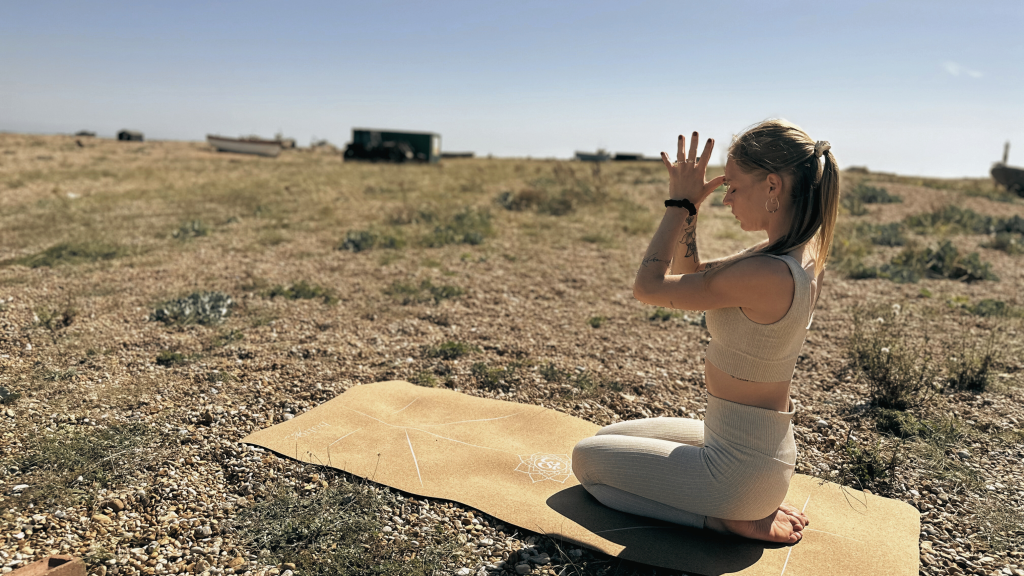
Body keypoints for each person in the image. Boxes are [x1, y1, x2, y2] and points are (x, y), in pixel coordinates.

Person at [571, 119, 839, 544]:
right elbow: (691, 273)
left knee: (586, 462)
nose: (727, 198)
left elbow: (649, 287)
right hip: (746, 446)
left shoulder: (767, 272)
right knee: (606, 437)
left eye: (733, 185)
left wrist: (679, 203)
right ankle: (748, 501)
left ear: (772, 186)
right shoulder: (794, 255)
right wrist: (692, 211)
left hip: (738, 471)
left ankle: (727, 517)